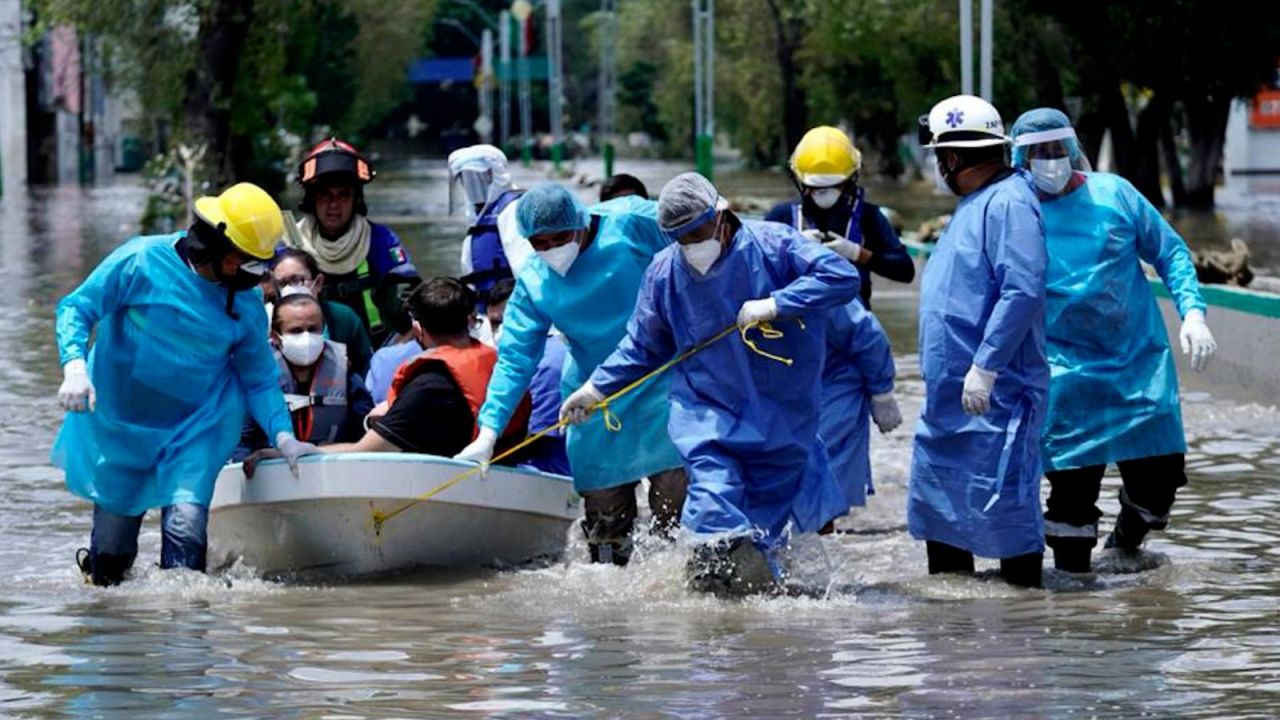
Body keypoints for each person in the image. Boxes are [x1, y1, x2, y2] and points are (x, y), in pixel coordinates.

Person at [561, 172, 860, 595]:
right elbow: (643, 346)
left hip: (780, 412)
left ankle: (756, 615)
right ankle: (708, 604)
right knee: (712, 501)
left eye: (697, 232)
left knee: (765, 525)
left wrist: (778, 302)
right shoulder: (665, 273)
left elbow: (842, 278)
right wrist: (596, 389)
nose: (691, 245)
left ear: (721, 215)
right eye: (679, 238)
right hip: (706, 411)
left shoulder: (774, 246)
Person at [52, 182, 318, 586]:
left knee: (185, 538)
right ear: (218, 249)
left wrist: (283, 436)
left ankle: (186, 638)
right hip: (122, 424)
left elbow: (259, 378)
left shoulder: (243, 302)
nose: (251, 276)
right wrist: (74, 366)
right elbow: (77, 308)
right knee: (110, 563)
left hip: (196, 426)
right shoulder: (139, 261)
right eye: (246, 263)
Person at [1009, 108, 1217, 573]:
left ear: (1072, 148)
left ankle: (1124, 545)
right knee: (1070, 504)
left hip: (1137, 365)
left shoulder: (1115, 195)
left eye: (1056, 149)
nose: (1049, 161)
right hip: (1064, 375)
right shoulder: (1015, 211)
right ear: (1019, 158)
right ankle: (1074, 610)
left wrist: (1194, 314)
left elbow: (1171, 252)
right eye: (1036, 153)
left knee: (1159, 486)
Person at [454, 184, 688, 567]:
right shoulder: (533, 282)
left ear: (581, 222)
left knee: (674, 513)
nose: (552, 250)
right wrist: (489, 431)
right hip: (590, 399)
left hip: (662, 380)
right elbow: (515, 359)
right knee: (606, 530)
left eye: (560, 238)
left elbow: (706, 234)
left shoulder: (630, 223)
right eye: (540, 243)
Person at [908, 95, 1049, 589]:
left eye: (937, 157)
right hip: (949, 404)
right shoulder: (975, 205)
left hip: (996, 396)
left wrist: (986, 367)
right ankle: (953, 645)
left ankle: (1023, 628)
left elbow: (1023, 288)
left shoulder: (1009, 202)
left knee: (1006, 515)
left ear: (950, 158)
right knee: (943, 521)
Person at [249, 278, 526, 463]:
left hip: (452, 485)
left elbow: (364, 452)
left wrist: (296, 452)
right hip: (507, 471)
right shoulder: (503, 367)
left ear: (417, 328)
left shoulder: (428, 386)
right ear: (470, 321)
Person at [287, 137, 420, 346]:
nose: (334, 204)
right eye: (325, 195)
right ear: (311, 199)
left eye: (343, 195)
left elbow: (411, 300)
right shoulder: (290, 242)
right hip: (306, 353)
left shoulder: (379, 240)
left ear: (356, 199)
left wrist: (391, 356)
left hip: (371, 351)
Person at [765, 126, 915, 308]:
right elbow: (754, 269)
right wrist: (789, 250)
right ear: (799, 181)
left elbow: (905, 271)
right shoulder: (783, 216)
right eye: (815, 187)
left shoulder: (868, 217)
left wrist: (858, 253)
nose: (824, 193)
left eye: (835, 185)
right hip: (797, 320)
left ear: (851, 179)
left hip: (853, 324)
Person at [235, 293, 375, 459]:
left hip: (333, 471)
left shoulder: (346, 377)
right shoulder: (256, 381)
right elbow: (242, 443)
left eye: (313, 329)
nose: (306, 337)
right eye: (296, 331)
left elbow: (366, 437)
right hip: (273, 475)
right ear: (275, 337)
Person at [821, 299, 902, 522]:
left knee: (822, 489)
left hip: (832, 392)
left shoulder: (801, 276)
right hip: (789, 393)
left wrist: (882, 391)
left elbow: (866, 334)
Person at [272, 247, 373, 376]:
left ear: (318, 282)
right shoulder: (266, 323)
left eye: (297, 280)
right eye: (281, 284)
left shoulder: (344, 318)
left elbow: (366, 370)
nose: (289, 289)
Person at [452, 145, 524, 311]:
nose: (473, 184)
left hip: (512, 314)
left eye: (479, 177)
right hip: (484, 315)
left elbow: (526, 271)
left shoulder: (512, 211)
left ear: (496, 175)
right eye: (466, 178)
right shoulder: (477, 220)